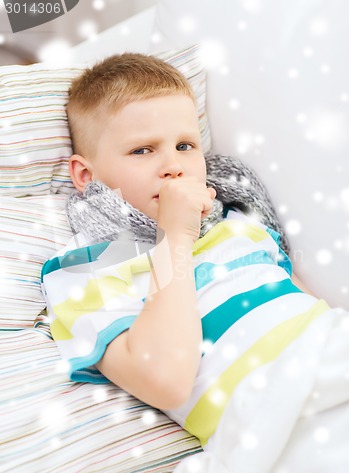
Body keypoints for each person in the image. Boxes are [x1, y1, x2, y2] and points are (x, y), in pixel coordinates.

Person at [42, 52, 325, 448]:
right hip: (275, 420)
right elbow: (166, 381)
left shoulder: (237, 222)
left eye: (186, 145)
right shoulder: (85, 268)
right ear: (86, 175)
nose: (174, 166)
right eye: (143, 150)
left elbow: (312, 308)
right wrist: (175, 236)